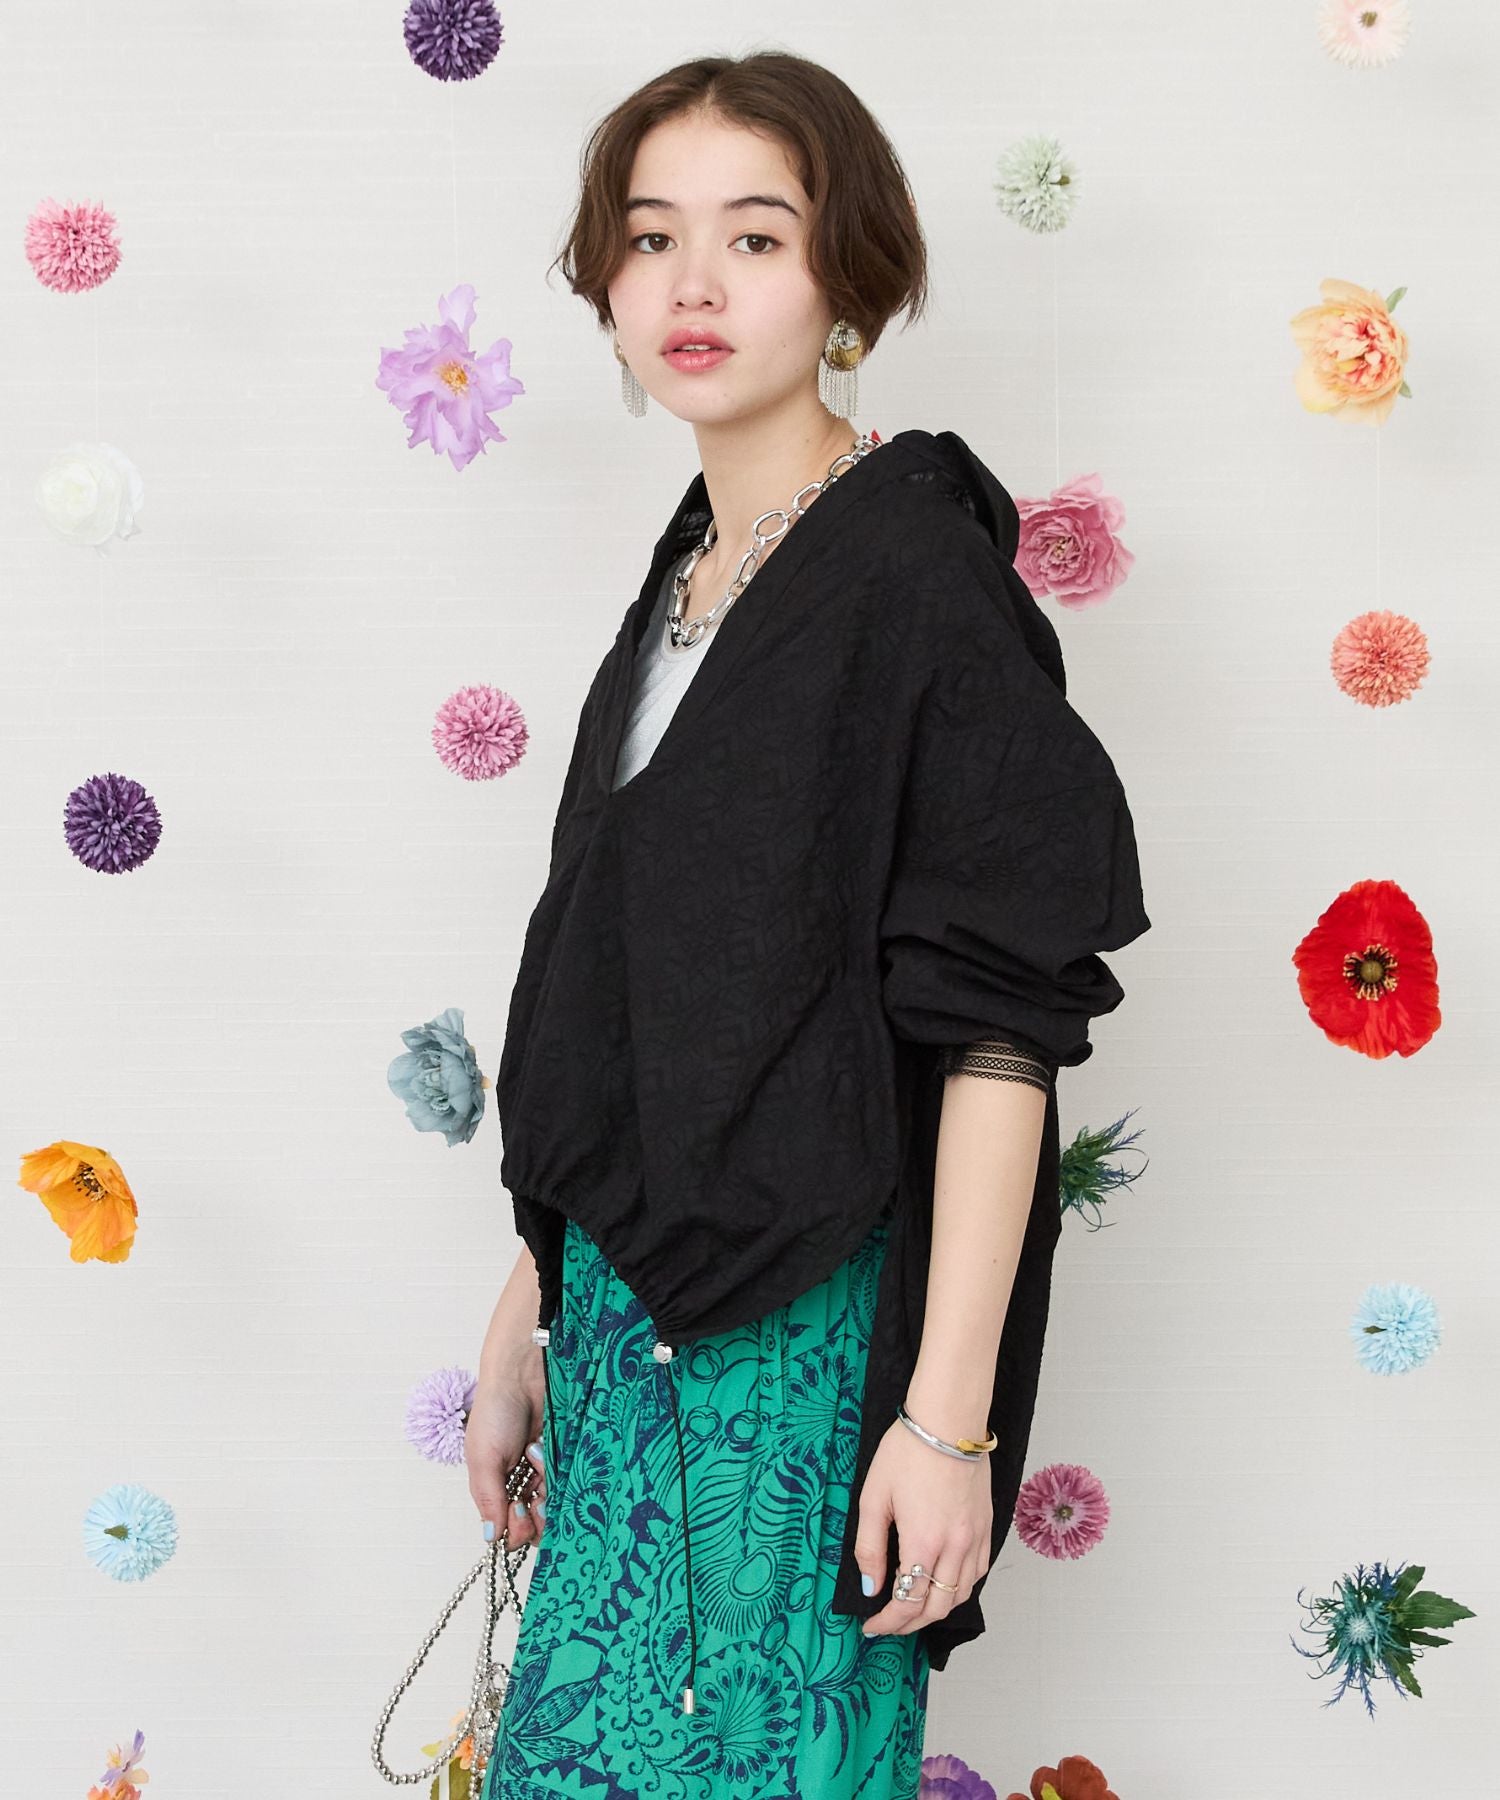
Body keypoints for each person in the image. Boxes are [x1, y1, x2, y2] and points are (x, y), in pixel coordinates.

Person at [465, 49, 1151, 1800]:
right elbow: (643, 994)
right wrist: (532, 1299)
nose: (692, 285)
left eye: (755, 237)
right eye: (652, 238)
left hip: (798, 1341)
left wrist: (945, 1418)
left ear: (850, 278)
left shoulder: (910, 569)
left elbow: (998, 1022)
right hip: (626, 1330)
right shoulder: (694, 571)